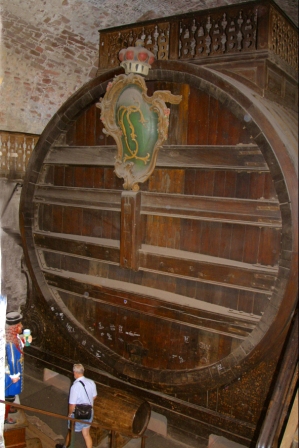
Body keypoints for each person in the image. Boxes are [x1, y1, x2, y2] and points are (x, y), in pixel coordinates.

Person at [56, 364, 97, 448]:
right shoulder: (91, 382)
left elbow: (72, 404)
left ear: (75, 373)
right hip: (89, 412)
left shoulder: (75, 386)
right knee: (86, 434)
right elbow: (94, 396)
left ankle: (65, 447)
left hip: (78, 414)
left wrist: (70, 414)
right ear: (83, 371)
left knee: (71, 433)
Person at [5, 311, 31, 424]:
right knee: (8, 395)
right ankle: (4, 417)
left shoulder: (14, 337)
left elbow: (19, 344)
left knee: (11, 394)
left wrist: (25, 340)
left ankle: (8, 408)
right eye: (19, 325)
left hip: (14, 371)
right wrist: (14, 375)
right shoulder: (9, 343)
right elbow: (12, 360)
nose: (21, 326)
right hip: (10, 374)